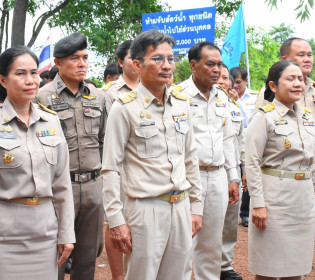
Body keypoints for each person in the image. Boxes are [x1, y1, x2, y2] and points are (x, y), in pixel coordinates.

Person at [0, 46, 75, 280]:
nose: (30, 80)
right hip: (2, 236)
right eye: (20, 73)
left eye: (34, 73)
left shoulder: (51, 122)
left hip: (45, 234)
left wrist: (66, 232)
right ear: (3, 80)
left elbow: (62, 184)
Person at [102, 29, 203, 280]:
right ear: (137, 64)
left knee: (177, 275)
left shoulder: (181, 104)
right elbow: (111, 168)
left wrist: (197, 206)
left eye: (170, 58)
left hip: (180, 206)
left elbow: (190, 157)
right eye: (158, 59)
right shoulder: (124, 108)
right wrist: (116, 220)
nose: (167, 65)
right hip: (145, 209)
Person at [35, 32, 107, 280]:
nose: (82, 63)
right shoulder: (42, 97)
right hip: (58, 188)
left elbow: (104, 140)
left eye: (85, 57)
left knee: (88, 256)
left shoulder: (98, 96)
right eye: (75, 58)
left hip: (93, 186)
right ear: (58, 63)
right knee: (54, 255)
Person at [246, 60, 315, 280]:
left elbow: (314, 161)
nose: (297, 83)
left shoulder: (308, 117)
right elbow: (251, 162)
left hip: (302, 200)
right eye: (290, 79)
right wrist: (258, 204)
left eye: (300, 79)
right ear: (273, 86)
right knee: (268, 269)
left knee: (296, 268)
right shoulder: (264, 117)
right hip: (274, 201)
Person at [179, 42, 239, 280]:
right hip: (186, 178)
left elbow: (228, 139)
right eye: (210, 64)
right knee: (183, 243)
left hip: (217, 176)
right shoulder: (177, 95)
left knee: (212, 243)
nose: (216, 70)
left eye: (219, 64)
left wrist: (233, 176)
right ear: (193, 65)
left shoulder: (222, 97)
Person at [254, 37, 315, 178]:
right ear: (284, 59)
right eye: (301, 54)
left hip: (314, 170)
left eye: (309, 55)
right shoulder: (270, 91)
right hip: (282, 173)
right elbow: (257, 135)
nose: (307, 59)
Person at [101, 39, 140, 280]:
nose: (137, 63)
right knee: (114, 219)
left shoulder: (152, 87)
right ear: (120, 62)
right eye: (130, 58)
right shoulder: (108, 94)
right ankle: (117, 275)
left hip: (143, 166)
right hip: (117, 165)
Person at [217, 64, 245, 280]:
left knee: (229, 223)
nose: (222, 81)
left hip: (233, 172)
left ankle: (224, 266)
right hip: (208, 171)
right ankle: (195, 267)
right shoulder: (191, 103)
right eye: (218, 76)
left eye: (226, 77)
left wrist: (242, 170)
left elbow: (241, 143)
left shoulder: (235, 107)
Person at [229, 66, 257, 228]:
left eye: (239, 82)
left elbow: (248, 122)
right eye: (234, 82)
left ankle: (245, 212)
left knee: (248, 178)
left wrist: (237, 102)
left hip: (249, 144)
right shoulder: (223, 96)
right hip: (233, 144)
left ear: (245, 81)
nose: (236, 86)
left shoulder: (253, 98)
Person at [103, 39, 140, 113]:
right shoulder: (109, 92)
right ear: (120, 62)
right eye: (132, 58)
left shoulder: (151, 89)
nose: (137, 62)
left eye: (140, 58)